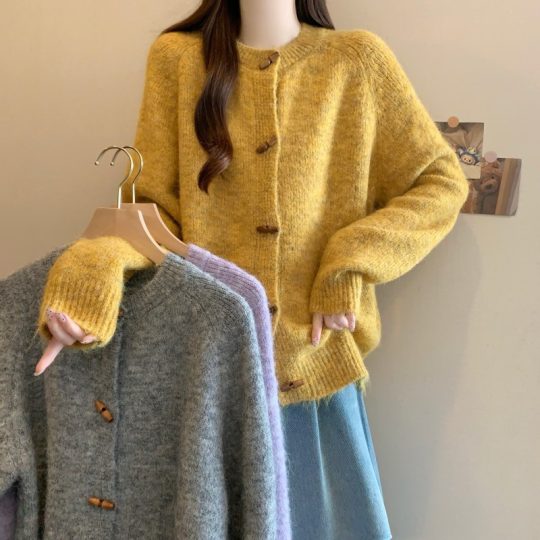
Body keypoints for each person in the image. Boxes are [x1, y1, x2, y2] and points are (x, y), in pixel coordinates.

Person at [30, 1, 470, 538]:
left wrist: (350, 261)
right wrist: (92, 271)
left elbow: (440, 181)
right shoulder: (177, 60)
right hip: (204, 380)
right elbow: (150, 214)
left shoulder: (356, 60)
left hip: (311, 379)